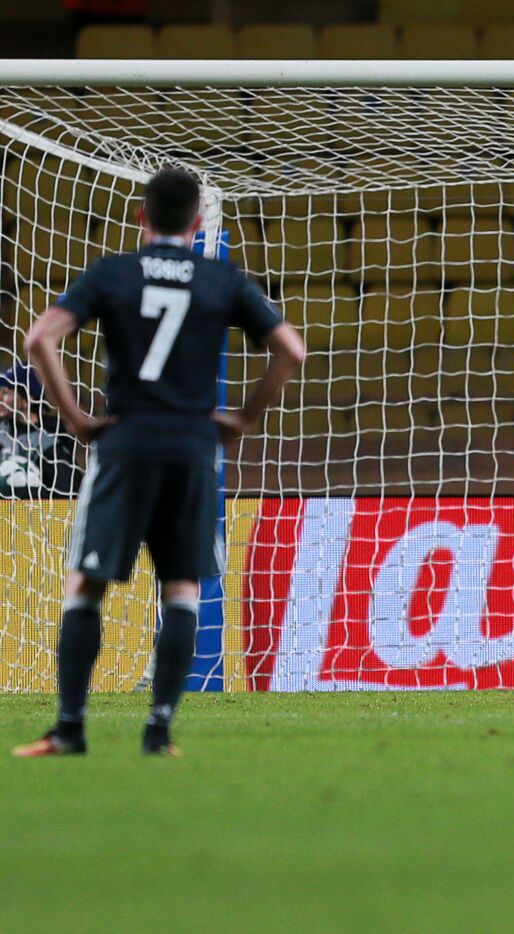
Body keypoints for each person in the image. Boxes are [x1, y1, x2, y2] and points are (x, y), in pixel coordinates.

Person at [13, 167, 305, 757]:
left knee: (86, 584)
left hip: (127, 442)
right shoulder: (221, 278)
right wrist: (244, 417)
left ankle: (70, 728)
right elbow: (290, 349)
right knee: (181, 588)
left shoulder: (114, 273)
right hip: (192, 449)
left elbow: (40, 339)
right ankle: (160, 732)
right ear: (198, 222)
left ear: (142, 218)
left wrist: (73, 417)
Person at [0, 363, 81, 498]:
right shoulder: (3, 431)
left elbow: (68, 494)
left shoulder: (49, 439)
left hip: (35, 516)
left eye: (5, 393)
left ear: (29, 398)